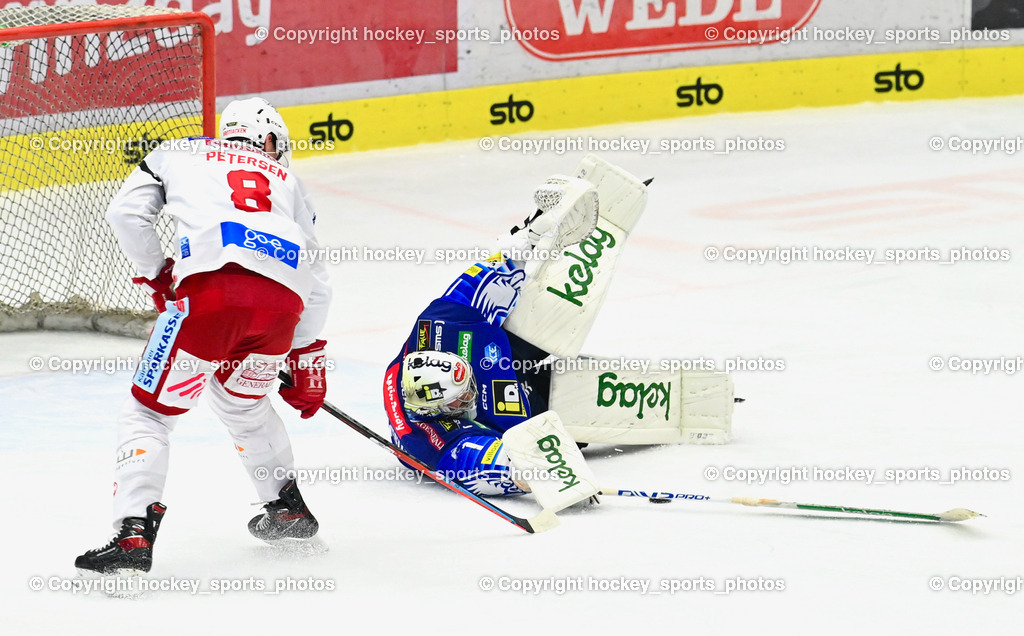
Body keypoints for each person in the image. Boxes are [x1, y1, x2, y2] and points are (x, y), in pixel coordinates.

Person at [383, 157, 735, 507]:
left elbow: (478, 283)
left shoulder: (441, 325)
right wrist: (536, 471)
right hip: (511, 418)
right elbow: (482, 464)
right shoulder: (427, 440)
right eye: (462, 399)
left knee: (549, 316)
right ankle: (675, 406)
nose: (469, 393)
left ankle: (606, 223)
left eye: (465, 385)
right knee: (567, 415)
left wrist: (526, 240)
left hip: (502, 353)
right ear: (439, 413)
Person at [75, 97, 332, 576]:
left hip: (210, 301)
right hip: (281, 312)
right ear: (271, 140)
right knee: (245, 406)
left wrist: (158, 274)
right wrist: (307, 356)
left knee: (149, 413)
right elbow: (316, 275)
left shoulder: (176, 152)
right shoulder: (287, 179)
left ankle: (133, 533)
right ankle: (287, 508)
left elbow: (125, 215)